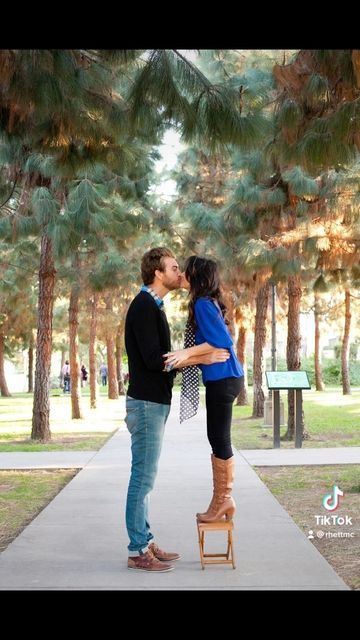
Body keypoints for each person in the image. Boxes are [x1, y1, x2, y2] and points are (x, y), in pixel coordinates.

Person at [124, 247, 229, 572]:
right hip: (145, 403)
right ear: (158, 272)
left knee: (147, 476)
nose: (179, 273)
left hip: (154, 401)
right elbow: (157, 360)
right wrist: (201, 356)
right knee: (143, 476)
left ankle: (145, 539)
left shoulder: (153, 306)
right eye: (173, 267)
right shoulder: (143, 306)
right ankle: (138, 549)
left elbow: (164, 357)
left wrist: (196, 356)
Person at [164, 256, 244, 524]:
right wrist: (189, 357)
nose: (183, 273)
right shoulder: (205, 303)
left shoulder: (201, 303)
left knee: (219, 439)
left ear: (197, 277)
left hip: (223, 379)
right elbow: (213, 346)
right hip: (225, 378)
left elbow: (221, 341)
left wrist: (186, 352)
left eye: (188, 270)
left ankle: (223, 500)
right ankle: (221, 500)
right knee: (217, 438)